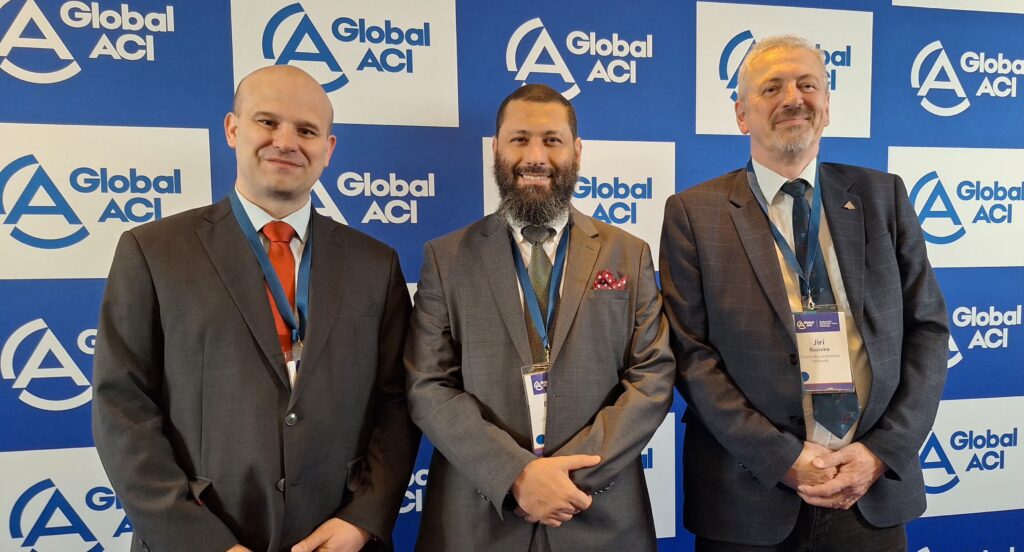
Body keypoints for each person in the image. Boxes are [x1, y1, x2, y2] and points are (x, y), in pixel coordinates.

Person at [92, 65, 419, 552]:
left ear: (328, 149)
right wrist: (201, 542)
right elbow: (122, 407)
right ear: (232, 129)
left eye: (306, 130)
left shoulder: (376, 263)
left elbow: (397, 402)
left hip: (340, 538)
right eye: (267, 122)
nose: (285, 142)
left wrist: (362, 518)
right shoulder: (153, 251)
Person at [660, 35, 949, 551]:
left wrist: (882, 452)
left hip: (870, 489)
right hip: (747, 494)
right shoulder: (694, 214)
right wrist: (782, 459)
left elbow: (927, 329)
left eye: (808, 85)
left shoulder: (883, 196)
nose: (794, 98)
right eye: (772, 87)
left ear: (827, 106)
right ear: (742, 115)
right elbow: (691, 354)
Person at [404, 84, 675, 551]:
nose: (535, 157)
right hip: (479, 519)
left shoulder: (628, 254)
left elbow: (652, 378)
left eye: (552, 140)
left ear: (577, 151)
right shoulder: (445, 258)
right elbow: (428, 386)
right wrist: (517, 475)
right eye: (519, 139)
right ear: (496, 148)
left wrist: (563, 480)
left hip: (599, 513)